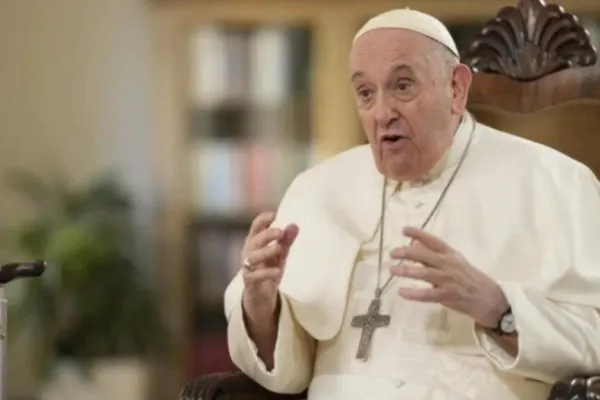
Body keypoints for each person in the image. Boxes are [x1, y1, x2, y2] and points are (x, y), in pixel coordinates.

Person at [224, 8, 600, 400]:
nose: (382, 113)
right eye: (366, 93)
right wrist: (262, 308)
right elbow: (287, 372)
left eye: (402, 86)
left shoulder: (556, 181)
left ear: (456, 88)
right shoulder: (318, 187)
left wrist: (497, 308)